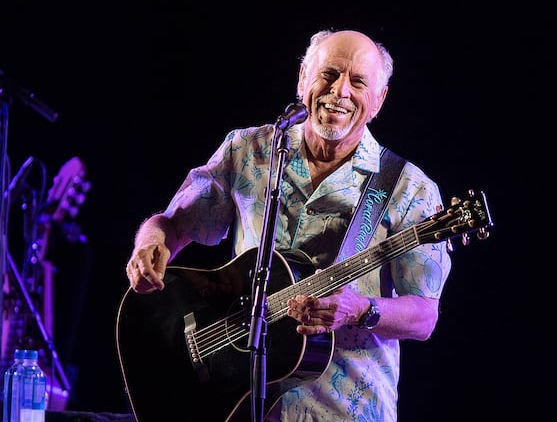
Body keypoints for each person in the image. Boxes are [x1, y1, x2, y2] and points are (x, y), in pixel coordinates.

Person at [124, 29, 452, 421]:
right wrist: (150, 245)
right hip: (237, 404)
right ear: (302, 79)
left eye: (359, 82)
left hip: (345, 409)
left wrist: (360, 309)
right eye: (329, 74)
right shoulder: (249, 151)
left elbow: (424, 316)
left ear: (379, 100)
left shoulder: (407, 187)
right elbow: (172, 225)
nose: (340, 91)